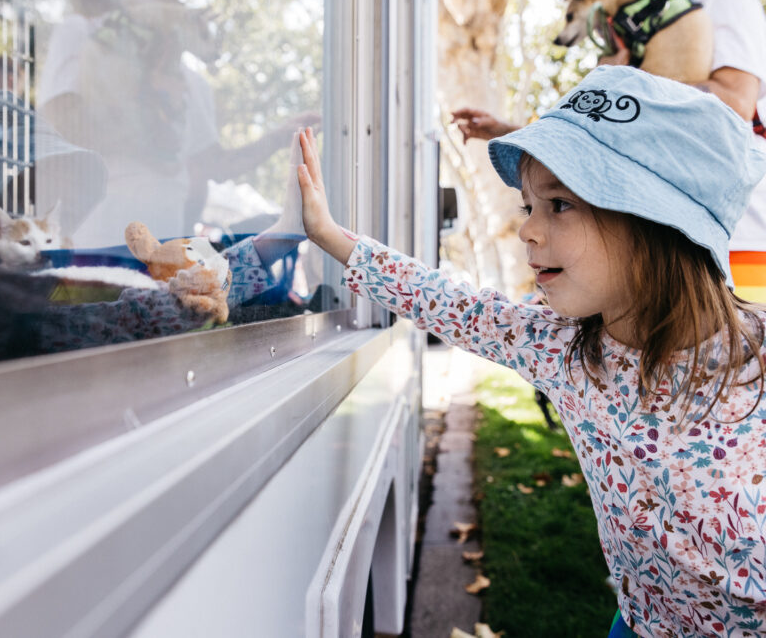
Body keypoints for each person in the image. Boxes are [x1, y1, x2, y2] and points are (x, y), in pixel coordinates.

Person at [296, 66, 766, 637]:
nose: (528, 231)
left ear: (657, 220)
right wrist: (330, 236)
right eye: (528, 206)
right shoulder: (564, 347)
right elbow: (452, 303)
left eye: (560, 205)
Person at [455, 0, 766, 300]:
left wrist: (625, 80)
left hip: (736, 250)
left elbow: (736, 100)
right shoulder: (638, 24)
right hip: (655, 246)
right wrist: (511, 132)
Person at [36, 0, 319, 247]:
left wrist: (277, 138)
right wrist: (151, 113)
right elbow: (64, 131)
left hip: (163, 254)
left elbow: (212, 165)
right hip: (98, 246)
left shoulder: (191, 82)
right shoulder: (81, 34)